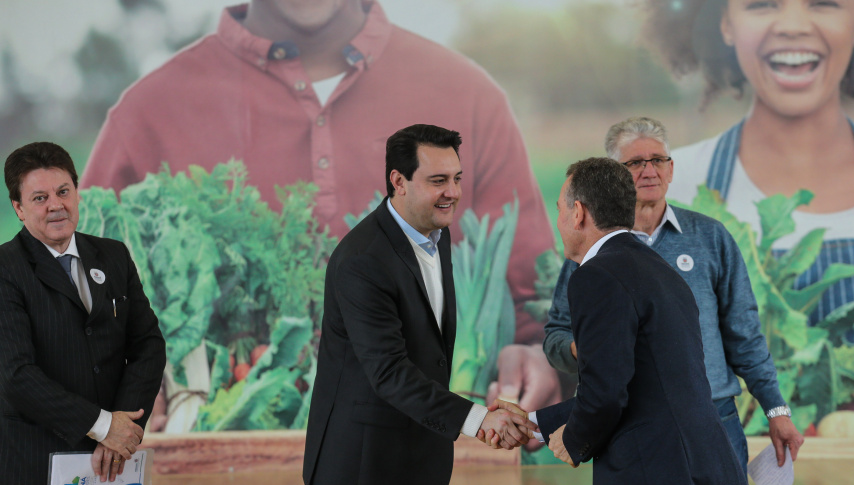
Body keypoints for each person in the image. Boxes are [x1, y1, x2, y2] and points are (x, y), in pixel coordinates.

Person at [82, 0, 557, 403]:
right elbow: (70, 316)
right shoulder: (147, 114)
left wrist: (540, 358)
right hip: (208, 478)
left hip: (431, 464)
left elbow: (537, 311)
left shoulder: (469, 97)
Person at [542, 117, 804, 485]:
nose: (648, 170)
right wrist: (591, 345)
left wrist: (775, 406)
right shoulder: (585, 259)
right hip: (642, 427)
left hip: (715, 423)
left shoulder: (709, 239)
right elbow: (559, 337)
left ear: (671, 167)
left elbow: (746, 336)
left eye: (658, 159)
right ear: (613, 179)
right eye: (635, 162)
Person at [302, 124, 537, 485]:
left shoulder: (435, 234)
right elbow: (389, 372)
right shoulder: (362, 261)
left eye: (457, 178)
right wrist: (478, 419)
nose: (453, 192)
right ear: (398, 181)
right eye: (438, 181)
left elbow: (426, 351)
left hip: (404, 458)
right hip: (364, 466)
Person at [643, 0, 854, 342]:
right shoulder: (660, 193)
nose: (793, 25)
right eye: (762, 4)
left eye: (824, 3)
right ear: (725, 24)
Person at [0, 142, 166, 485]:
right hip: (33, 482)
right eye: (39, 198)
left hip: (112, 478)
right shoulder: (6, 269)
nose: (55, 205)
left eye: (63, 191)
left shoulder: (113, 255)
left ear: (77, 192)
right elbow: (16, 375)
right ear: (19, 208)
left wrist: (123, 429)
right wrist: (104, 427)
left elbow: (147, 344)